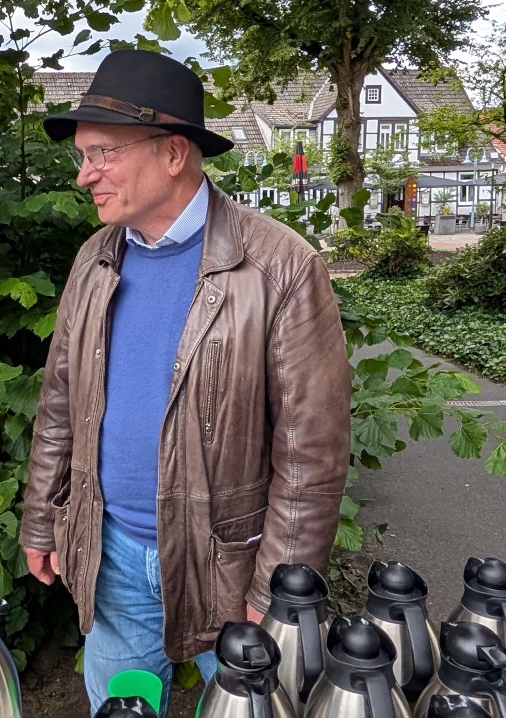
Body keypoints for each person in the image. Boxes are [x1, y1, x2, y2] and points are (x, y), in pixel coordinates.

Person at [18, 50, 350, 714]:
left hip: (231, 567)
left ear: (173, 153)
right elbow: (59, 403)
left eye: (102, 153)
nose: (85, 175)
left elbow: (311, 455)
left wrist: (277, 591)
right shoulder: (95, 259)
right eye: (82, 156)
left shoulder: (280, 267)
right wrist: (42, 518)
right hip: (111, 554)